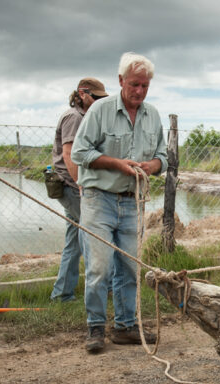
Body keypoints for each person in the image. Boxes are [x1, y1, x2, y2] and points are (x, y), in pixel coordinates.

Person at [71, 52, 167, 353]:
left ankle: (125, 327)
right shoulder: (99, 110)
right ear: (121, 81)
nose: (139, 91)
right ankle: (96, 328)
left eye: (145, 86)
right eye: (134, 84)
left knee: (129, 266)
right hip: (99, 200)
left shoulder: (153, 115)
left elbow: (163, 157)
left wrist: (151, 166)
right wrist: (116, 164)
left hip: (132, 202)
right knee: (99, 266)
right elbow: (79, 153)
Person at [49, 78, 108, 303]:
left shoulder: (84, 116)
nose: (99, 102)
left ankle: (63, 293)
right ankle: (99, 291)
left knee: (74, 242)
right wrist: (80, 185)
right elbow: (69, 154)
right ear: (83, 95)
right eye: (96, 98)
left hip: (72, 186)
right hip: (72, 187)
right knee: (93, 238)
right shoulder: (74, 117)